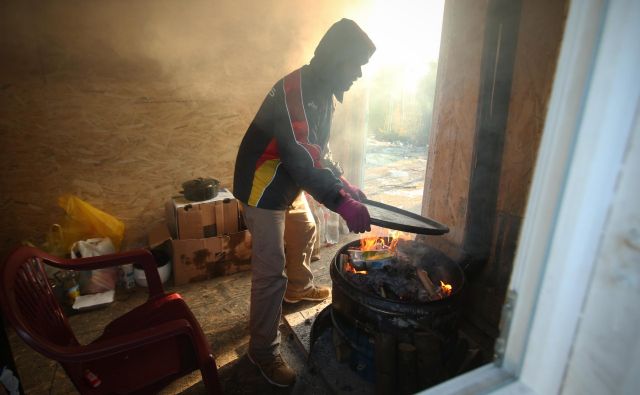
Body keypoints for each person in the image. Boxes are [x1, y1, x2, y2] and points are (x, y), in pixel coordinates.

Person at [232, 18, 375, 387]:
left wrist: (343, 180)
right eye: (356, 64)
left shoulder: (320, 91)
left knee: (307, 228)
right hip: (262, 184)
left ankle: (298, 288)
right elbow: (300, 155)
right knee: (270, 270)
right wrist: (339, 200)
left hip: (286, 179)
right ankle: (262, 352)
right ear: (337, 58)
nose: (358, 74)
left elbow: (317, 150)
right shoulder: (296, 89)